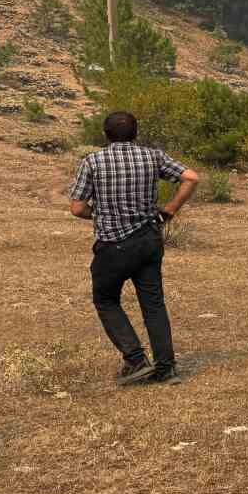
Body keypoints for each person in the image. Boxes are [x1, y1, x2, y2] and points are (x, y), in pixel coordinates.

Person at [68, 111, 199, 385]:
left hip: (113, 244)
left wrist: (99, 214)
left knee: (106, 299)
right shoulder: (153, 157)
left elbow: (77, 207)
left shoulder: (92, 161)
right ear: (136, 133)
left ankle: (136, 359)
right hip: (149, 239)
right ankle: (166, 368)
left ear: (105, 134)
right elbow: (191, 177)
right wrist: (170, 211)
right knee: (153, 304)